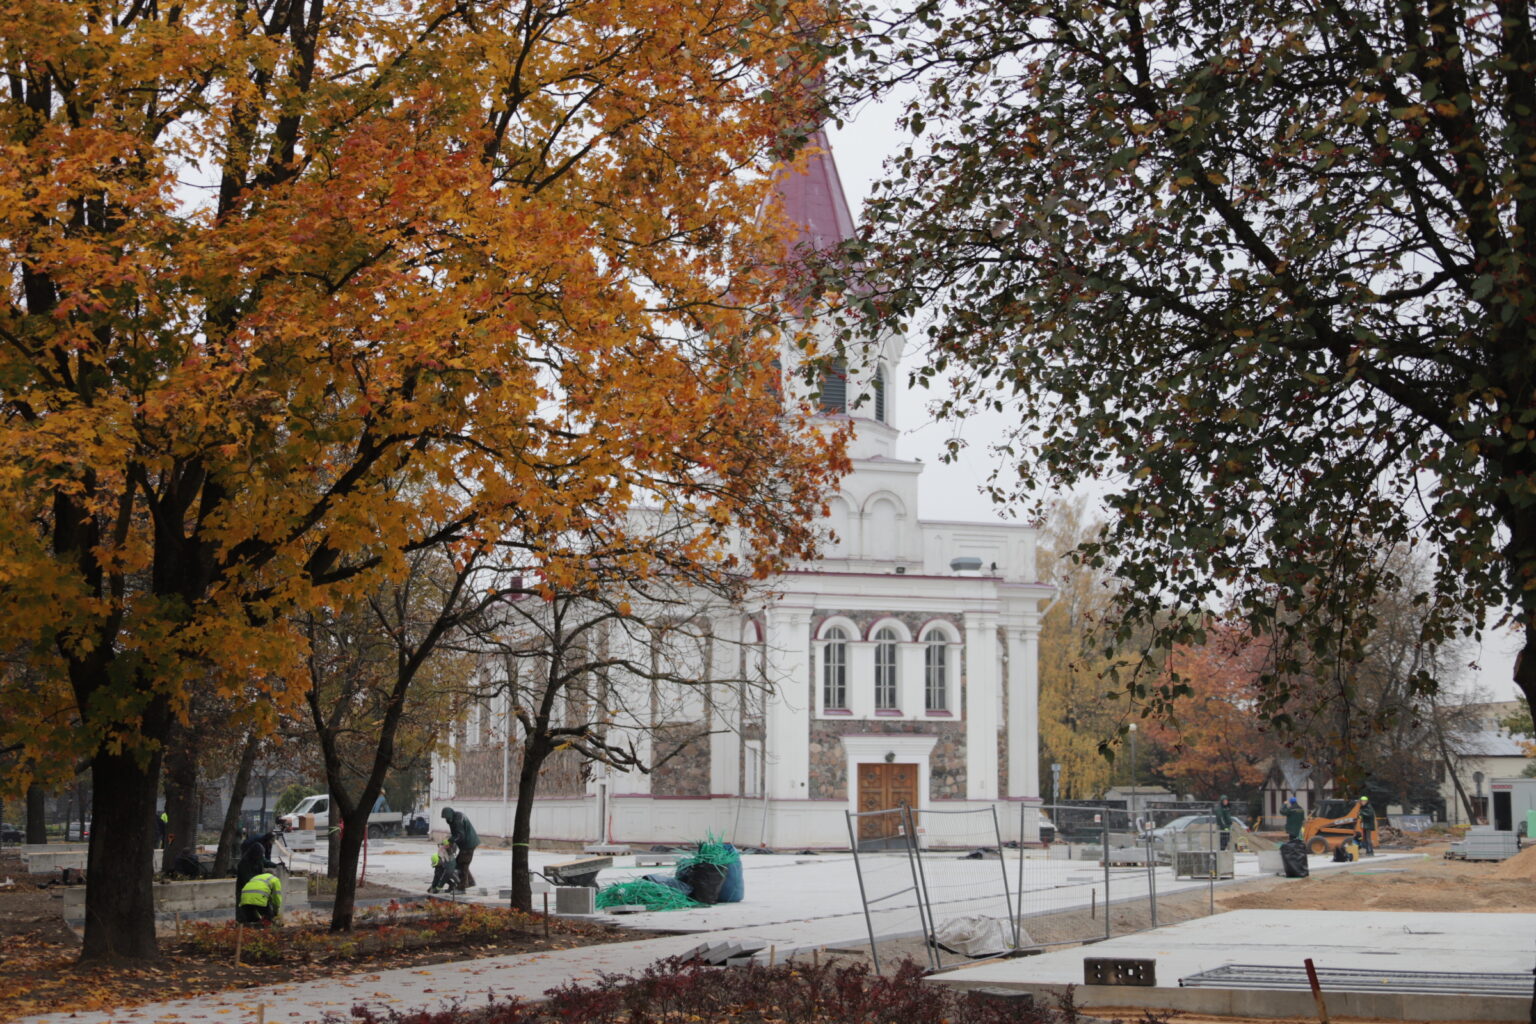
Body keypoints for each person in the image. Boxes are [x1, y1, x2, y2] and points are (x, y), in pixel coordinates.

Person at [441, 807, 478, 890]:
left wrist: (451, 841)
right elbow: (457, 834)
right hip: (468, 843)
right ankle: (470, 882)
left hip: (468, 844)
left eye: (447, 818)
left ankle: (462, 887)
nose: (447, 820)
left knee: (462, 864)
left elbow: (460, 835)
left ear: (451, 815)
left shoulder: (457, 820)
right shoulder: (456, 817)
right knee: (460, 863)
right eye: (446, 818)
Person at [236, 830, 278, 895]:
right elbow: (248, 880)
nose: (272, 842)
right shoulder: (244, 863)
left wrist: (274, 865)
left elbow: (266, 857)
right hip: (246, 846)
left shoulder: (267, 844)